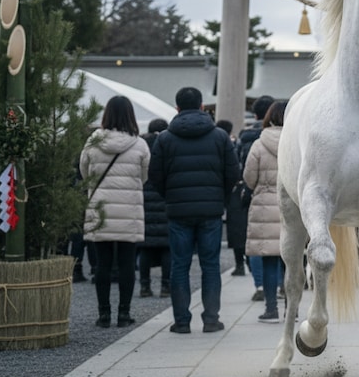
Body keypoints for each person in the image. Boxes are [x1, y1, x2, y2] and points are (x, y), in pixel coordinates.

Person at [150, 86, 239, 334]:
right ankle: (211, 319)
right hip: (210, 210)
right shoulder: (220, 136)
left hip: (178, 210)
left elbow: (154, 176)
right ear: (202, 107)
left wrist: (170, 196)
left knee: (180, 265)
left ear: (176, 108)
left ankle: (181, 321)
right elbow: (233, 173)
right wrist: (219, 197)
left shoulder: (165, 138)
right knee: (210, 265)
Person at [80, 96, 151, 328]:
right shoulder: (139, 144)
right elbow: (144, 177)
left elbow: (84, 172)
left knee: (102, 264)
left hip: (99, 207)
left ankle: (103, 315)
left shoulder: (93, 142)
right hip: (128, 207)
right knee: (127, 263)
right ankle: (123, 313)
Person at [243, 101, 287, 322]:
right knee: (292, 260)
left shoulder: (259, 145)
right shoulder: (297, 143)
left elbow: (249, 179)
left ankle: (271, 309)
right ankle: (293, 309)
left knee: (269, 259)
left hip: (264, 204)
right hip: (293, 205)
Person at [234, 95, 275, 299]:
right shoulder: (292, 137)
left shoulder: (248, 137)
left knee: (260, 242)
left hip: (260, 195)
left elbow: (245, 171)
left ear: (257, 114)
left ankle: (260, 285)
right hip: (288, 197)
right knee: (286, 242)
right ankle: (283, 284)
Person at [139, 118, 171, 298]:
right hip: (165, 199)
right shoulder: (168, 144)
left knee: (145, 247)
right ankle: (166, 286)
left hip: (144, 200)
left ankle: (145, 286)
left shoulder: (142, 145)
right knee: (167, 247)